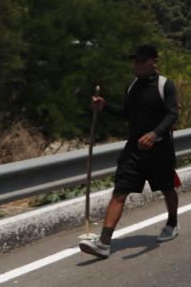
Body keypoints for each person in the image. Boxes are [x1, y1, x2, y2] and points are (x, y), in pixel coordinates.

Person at [79, 45, 180, 259]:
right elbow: (126, 113)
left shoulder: (165, 86)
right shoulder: (132, 86)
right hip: (133, 150)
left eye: (143, 60)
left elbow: (172, 115)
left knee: (167, 187)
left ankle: (172, 223)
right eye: (136, 60)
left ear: (155, 61)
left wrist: (154, 134)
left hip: (160, 149)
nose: (138, 64)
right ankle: (104, 243)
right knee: (120, 192)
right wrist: (104, 106)